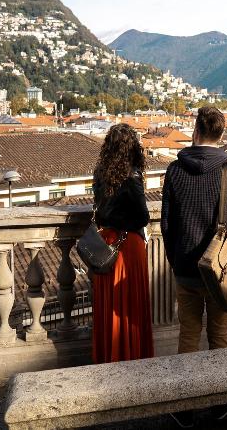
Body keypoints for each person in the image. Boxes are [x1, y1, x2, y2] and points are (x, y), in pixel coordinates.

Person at [161, 106, 227, 427]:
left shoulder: (175, 171)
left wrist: (176, 261)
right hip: (222, 270)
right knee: (219, 336)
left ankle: (186, 407)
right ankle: (220, 403)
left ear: (196, 130)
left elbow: (166, 225)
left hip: (186, 268)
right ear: (221, 134)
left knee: (188, 335)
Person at [91, 123, 154, 363]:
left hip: (105, 243)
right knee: (131, 307)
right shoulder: (132, 176)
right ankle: (133, 356)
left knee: (109, 306)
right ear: (133, 149)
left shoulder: (100, 173)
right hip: (128, 246)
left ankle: (110, 356)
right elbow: (143, 216)